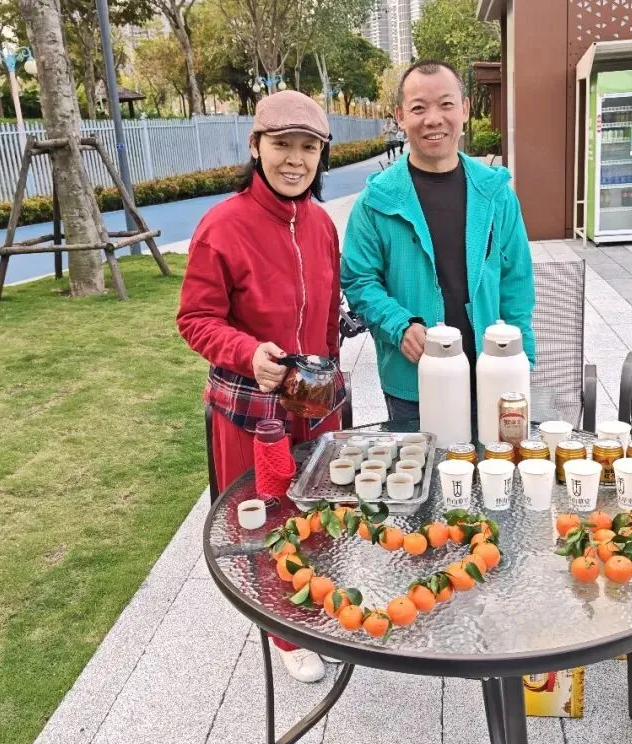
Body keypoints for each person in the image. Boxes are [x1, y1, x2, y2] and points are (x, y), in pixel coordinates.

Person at [178, 90, 341, 684]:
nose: (295, 160)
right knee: (268, 518)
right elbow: (195, 319)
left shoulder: (322, 224)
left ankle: (320, 605)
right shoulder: (221, 226)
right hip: (253, 410)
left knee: (321, 506)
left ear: (321, 155)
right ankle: (284, 630)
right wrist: (247, 352)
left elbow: (328, 315)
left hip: (315, 404)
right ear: (255, 146)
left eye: (308, 148)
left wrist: (331, 370)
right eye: (281, 145)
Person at [341, 60, 535, 424]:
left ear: (464, 109)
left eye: (446, 105)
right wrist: (399, 326)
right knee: (423, 461)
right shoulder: (375, 202)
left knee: (497, 461)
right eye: (418, 108)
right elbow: (359, 281)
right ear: (400, 116)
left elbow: (517, 286)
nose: (433, 119)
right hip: (414, 381)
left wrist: (523, 362)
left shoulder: (496, 195)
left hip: (492, 373)